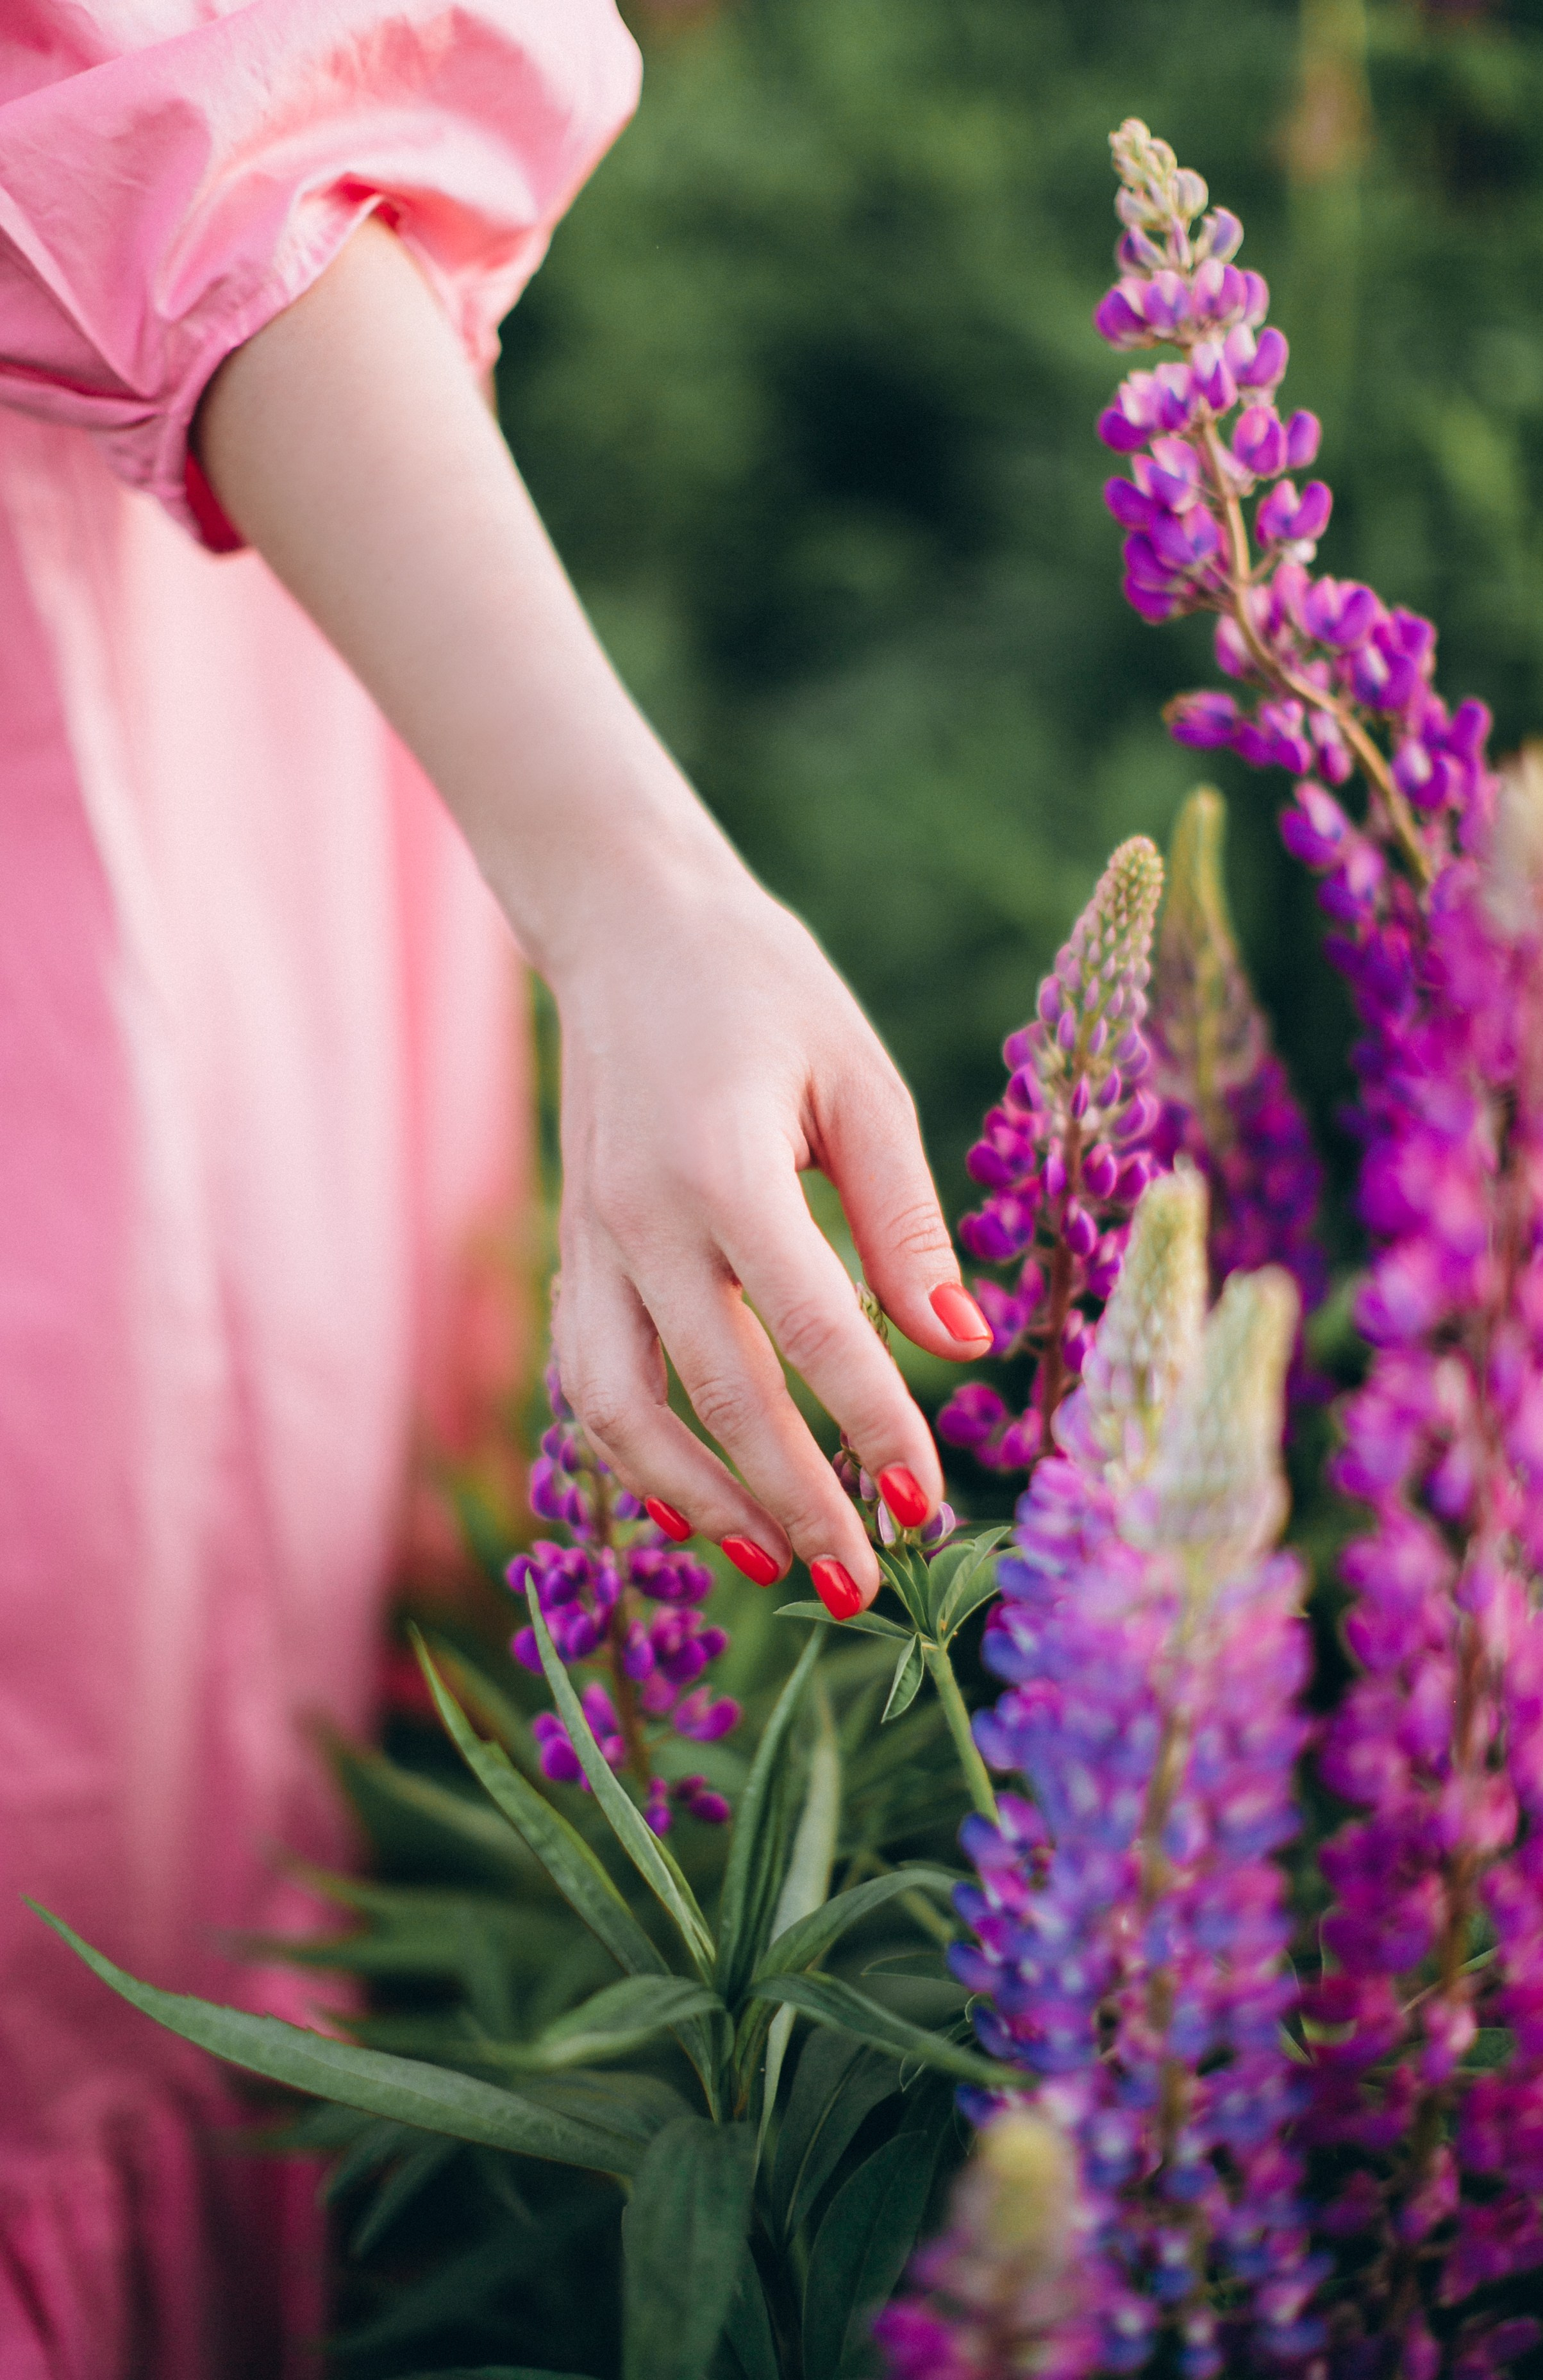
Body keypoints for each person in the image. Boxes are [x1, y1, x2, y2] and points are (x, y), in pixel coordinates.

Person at [0, 3, 993, 2371]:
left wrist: (619, 878)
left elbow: (171, 134)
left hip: (175, 677)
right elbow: (162, 136)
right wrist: (626, 879)